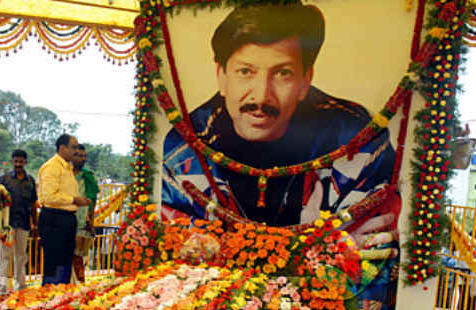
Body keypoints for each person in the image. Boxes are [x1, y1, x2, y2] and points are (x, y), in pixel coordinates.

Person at [162, 2, 395, 229]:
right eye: (245, 71)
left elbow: (376, 240)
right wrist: (329, 244)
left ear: (305, 80)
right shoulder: (182, 149)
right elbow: (172, 242)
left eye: (283, 73)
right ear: (221, 75)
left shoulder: (357, 138)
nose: (262, 96)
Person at [38, 134, 90, 285]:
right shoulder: (51, 167)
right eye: (73, 147)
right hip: (54, 219)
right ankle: (50, 295)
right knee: (54, 264)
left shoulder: (67, 167)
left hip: (67, 219)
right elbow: (50, 197)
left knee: (65, 262)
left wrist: (78, 201)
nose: (76, 151)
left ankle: (62, 294)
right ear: (62, 148)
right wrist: (74, 200)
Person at [0, 149, 38, 294]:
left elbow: (33, 203)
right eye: (16, 161)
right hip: (6, 225)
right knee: (4, 255)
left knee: (21, 255)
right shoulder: (4, 179)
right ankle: (2, 286)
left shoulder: (30, 181)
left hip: (24, 223)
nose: (18, 164)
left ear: (25, 162)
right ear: (12, 161)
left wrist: (35, 224)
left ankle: (20, 286)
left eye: (21, 161)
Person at [71, 144, 99, 283]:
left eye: (84, 156)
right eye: (79, 156)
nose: (83, 159)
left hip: (82, 221)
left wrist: (91, 221)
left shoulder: (88, 176)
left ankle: (78, 286)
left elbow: (92, 200)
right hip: (63, 218)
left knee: (77, 257)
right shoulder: (64, 174)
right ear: (72, 156)